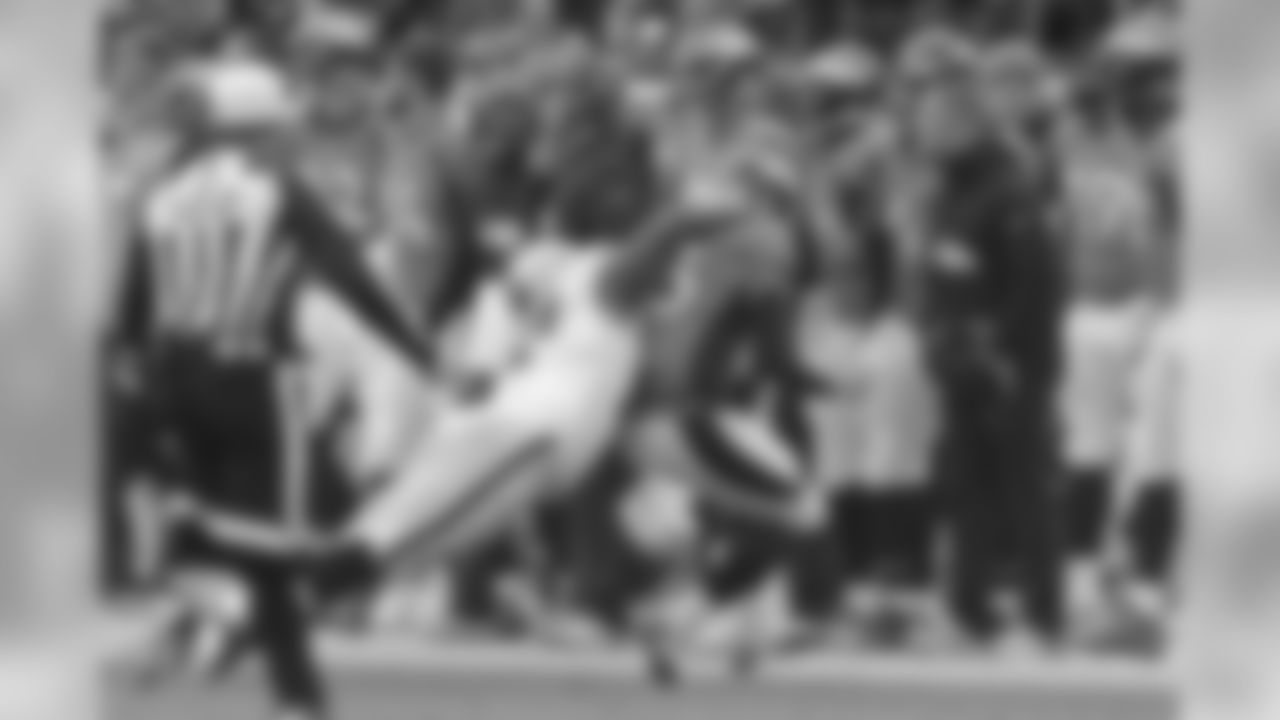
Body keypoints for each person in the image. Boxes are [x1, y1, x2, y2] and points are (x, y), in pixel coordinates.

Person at [120, 55, 430, 720]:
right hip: (254, 378)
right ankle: (219, 619)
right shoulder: (276, 188)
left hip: (176, 379)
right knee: (307, 534)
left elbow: (131, 318)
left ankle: (264, 666)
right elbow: (351, 275)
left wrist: (147, 414)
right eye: (281, 126)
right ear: (258, 128)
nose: (292, 135)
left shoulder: (159, 197)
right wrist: (420, 352)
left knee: (244, 532)